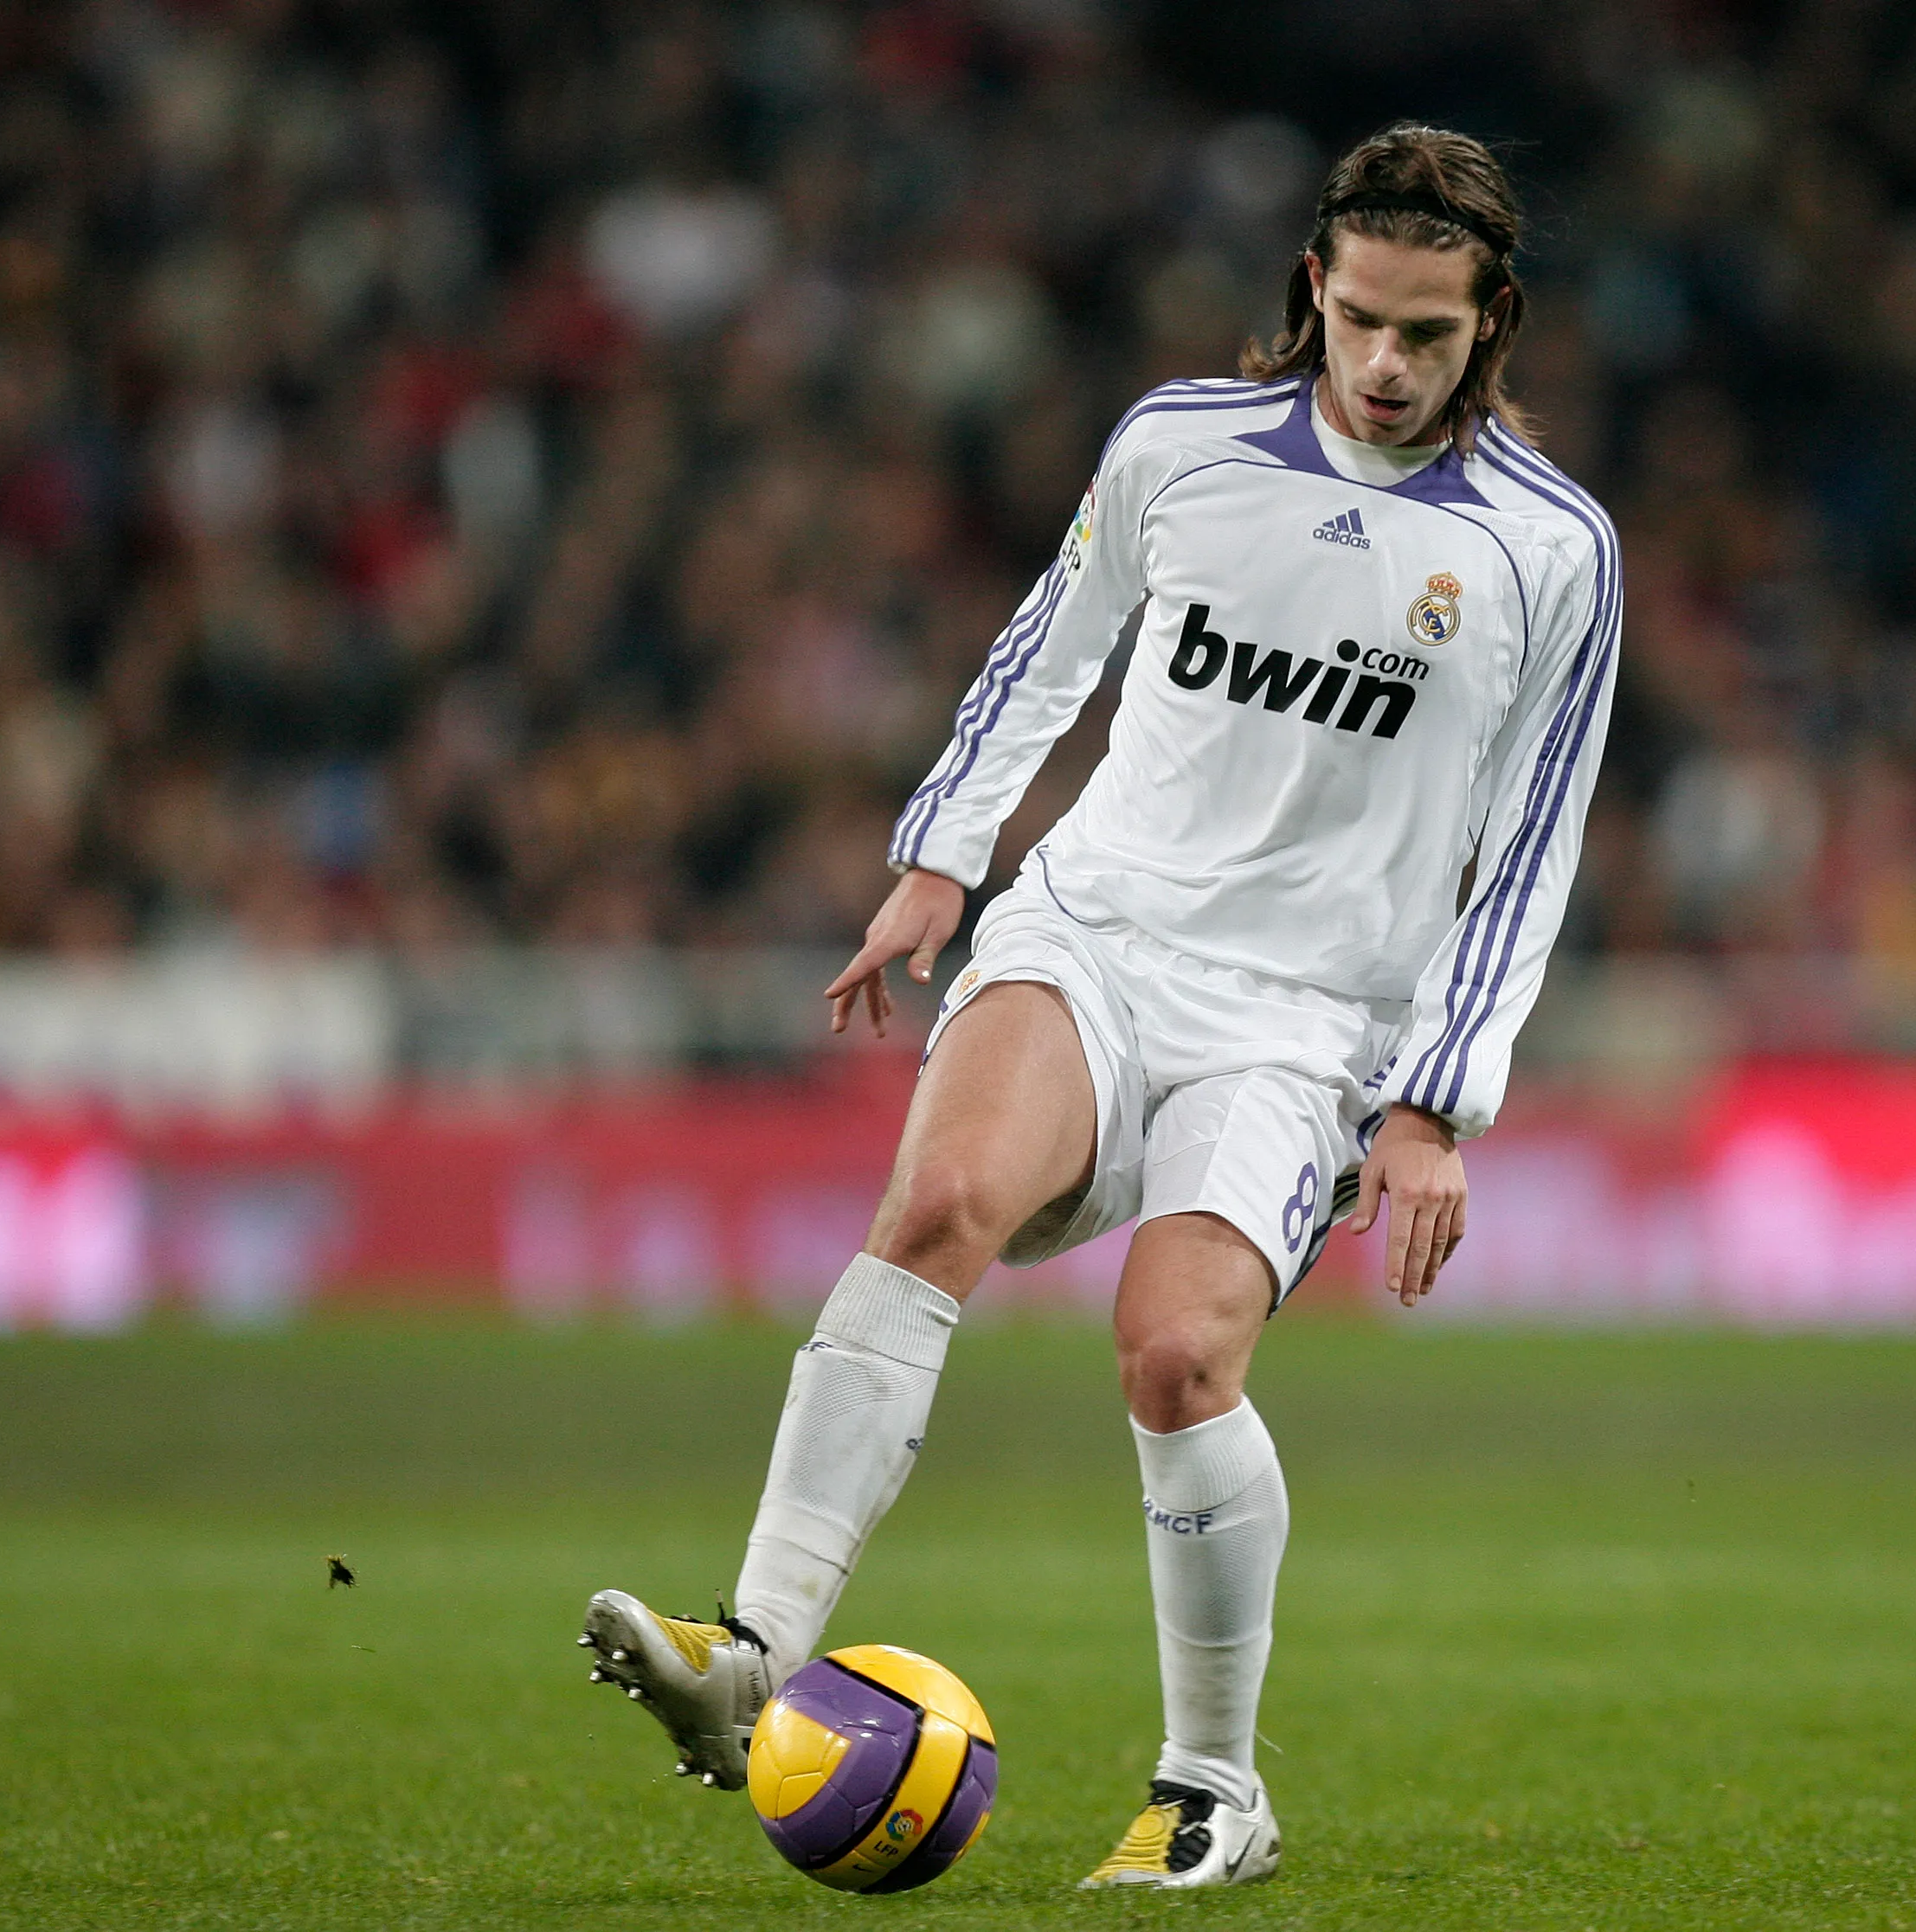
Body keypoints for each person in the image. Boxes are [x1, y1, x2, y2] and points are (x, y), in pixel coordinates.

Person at [581, 121, 1617, 1890]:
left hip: (1307, 1022)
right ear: (1315, 287)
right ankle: (750, 1651)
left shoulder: (1551, 551)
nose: (1383, 364)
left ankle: (1213, 1786)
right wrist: (941, 860)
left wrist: (1436, 1103)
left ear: (1494, 321)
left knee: (1177, 1352)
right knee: (938, 1205)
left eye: (1427, 336)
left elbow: (1531, 844)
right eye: (1360, 317)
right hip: (1100, 930)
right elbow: (1049, 645)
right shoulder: (1181, 446)